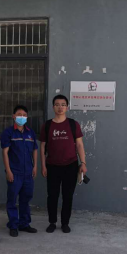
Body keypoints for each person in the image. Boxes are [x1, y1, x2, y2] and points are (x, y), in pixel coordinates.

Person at [40, 95, 87, 233]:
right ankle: (52, 222)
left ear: (67, 107)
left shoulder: (73, 124)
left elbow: (79, 145)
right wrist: (43, 165)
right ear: (53, 107)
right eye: (57, 104)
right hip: (52, 166)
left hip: (70, 165)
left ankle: (65, 223)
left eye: (63, 104)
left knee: (68, 196)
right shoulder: (47, 125)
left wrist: (83, 163)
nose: (60, 107)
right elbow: (42, 147)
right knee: (52, 196)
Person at [0, 105, 39, 238]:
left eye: (24, 115)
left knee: (25, 199)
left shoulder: (30, 132)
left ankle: (24, 224)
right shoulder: (8, 132)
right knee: (12, 200)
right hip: (14, 172)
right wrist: (8, 171)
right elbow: (5, 153)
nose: (21, 117)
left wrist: (35, 166)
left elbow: (35, 150)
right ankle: (13, 225)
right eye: (19, 114)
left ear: (27, 117)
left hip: (28, 173)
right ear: (13, 116)